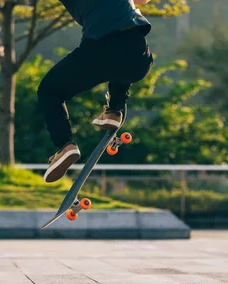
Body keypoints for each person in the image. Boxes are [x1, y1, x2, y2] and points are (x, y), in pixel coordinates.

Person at [38, 0, 154, 183]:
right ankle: (114, 109)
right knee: (122, 62)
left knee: (49, 91)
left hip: (100, 48)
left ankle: (65, 145)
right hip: (139, 58)